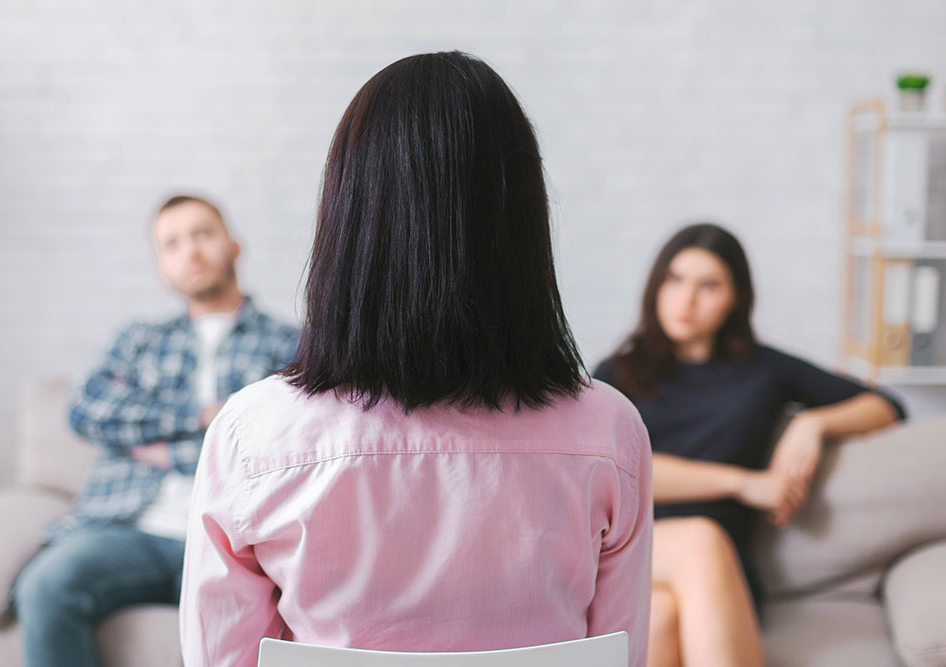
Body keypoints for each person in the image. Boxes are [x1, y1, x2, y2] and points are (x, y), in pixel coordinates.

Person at [180, 51, 653, 667]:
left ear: (349, 219)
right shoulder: (609, 433)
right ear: (522, 220)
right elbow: (621, 654)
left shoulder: (252, 437)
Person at [592, 223, 905, 667]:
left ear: (735, 298)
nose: (686, 300)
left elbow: (887, 405)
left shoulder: (763, 371)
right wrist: (743, 483)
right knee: (696, 545)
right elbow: (607, 471)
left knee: (662, 616)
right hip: (637, 552)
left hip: (721, 573)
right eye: (675, 279)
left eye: (709, 285)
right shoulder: (617, 373)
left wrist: (812, 425)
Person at [12, 194, 300, 667]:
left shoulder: (290, 344)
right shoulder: (139, 341)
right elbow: (87, 408)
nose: (190, 251)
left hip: (238, 537)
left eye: (203, 234)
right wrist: (203, 416)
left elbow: (285, 442)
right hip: (133, 531)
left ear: (234, 246)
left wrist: (167, 452)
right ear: (161, 266)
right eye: (171, 244)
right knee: (46, 584)